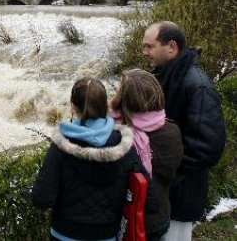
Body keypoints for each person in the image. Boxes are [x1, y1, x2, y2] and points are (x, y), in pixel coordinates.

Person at [32, 77, 144, 241]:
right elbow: (149, 198)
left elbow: (42, 198)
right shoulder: (123, 144)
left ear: (73, 105)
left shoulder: (61, 145)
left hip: (65, 232)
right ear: (105, 104)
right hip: (106, 234)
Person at [142, 21, 226, 240]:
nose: (145, 52)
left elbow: (209, 146)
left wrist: (168, 171)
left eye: (150, 46)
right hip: (164, 194)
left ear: (171, 46)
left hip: (180, 194)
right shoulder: (167, 75)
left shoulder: (196, 85)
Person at [110, 69, 183, 240]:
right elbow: (175, 172)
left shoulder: (117, 135)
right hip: (159, 216)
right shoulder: (172, 131)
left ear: (123, 98)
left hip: (123, 220)